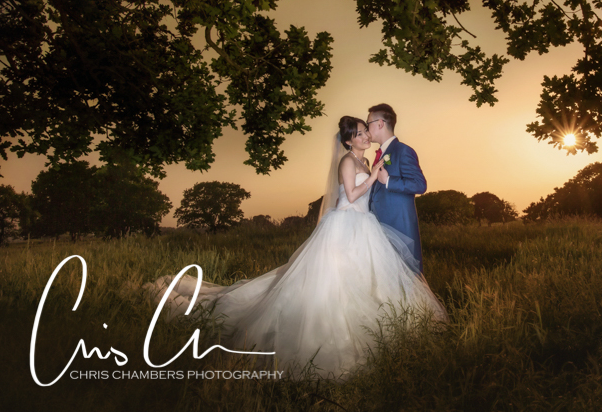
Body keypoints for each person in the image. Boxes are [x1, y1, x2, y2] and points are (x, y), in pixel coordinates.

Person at [143, 116, 447, 381]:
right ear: (349, 141)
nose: (366, 135)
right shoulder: (346, 162)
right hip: (344, 226)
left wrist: (376, 170)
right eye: (360, 133)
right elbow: (352, 196)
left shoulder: (365, 161)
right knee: (333, 284)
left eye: (366, 131)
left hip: (364, 227)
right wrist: (376, 174)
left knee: (365, 281)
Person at [366, 104, 427, 274]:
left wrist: (389, 181)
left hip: (399, 228)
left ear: (379, 123)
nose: (366, 127)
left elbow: (420, 184)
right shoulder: (379, 154)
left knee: (405, 279)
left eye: (368, 122)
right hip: (379, 227)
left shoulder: (403, 151)